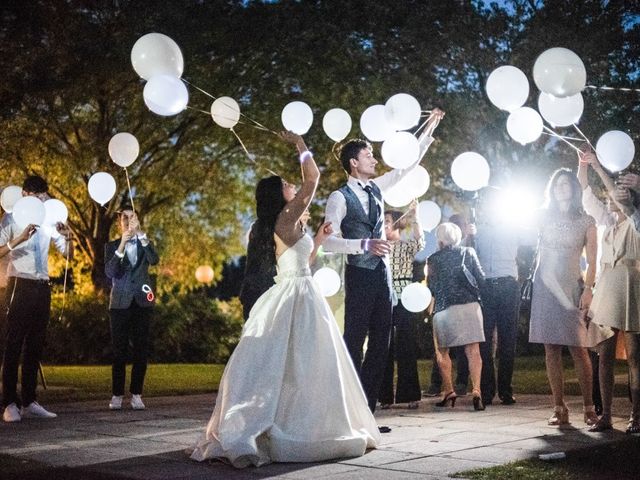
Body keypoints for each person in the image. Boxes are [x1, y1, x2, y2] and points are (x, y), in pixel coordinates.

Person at [191, 132, 379, 468]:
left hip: (296, 289)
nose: (293, 186)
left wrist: (318, 241)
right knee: (306, 364)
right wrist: (299, 144)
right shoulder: (287, 216)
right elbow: (314, 177)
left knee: (296, 365)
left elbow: (303, 263)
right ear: (279, 195)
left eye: (291, 184)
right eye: (287, 185)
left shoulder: (281, 225)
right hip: (300, 297)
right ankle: (297, 429)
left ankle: (288, 420)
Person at [324, 108, 444, 415]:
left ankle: (367, 407)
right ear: (354, 162)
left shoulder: (377, 188)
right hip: (359, 276)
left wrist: (429, 127)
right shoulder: (339, 198)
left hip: (383, 278)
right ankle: (345, 404)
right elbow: (328, 241)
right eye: (368, 155)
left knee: (381, 343)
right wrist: (363, 243)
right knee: (353, 339)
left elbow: (407, 167)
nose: (374, 159)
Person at [528, 168, 599, 426]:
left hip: (571, 287)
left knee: (579, 348)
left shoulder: (586, 221)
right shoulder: (542, 218)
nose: (561, 188)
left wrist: (589, 288)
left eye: (566, 184)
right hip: (545, 287)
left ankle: (589, 408)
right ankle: (559, 407)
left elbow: (592, 262)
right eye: (556, 184)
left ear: (574, 188)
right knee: (551, 349)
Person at [1, 175, 72, 422]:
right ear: (24, 194)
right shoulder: (10, 218)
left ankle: (29, 401)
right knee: (13, 345)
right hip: (19, 283)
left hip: (43, 286)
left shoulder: (48, 218)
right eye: (37, 197)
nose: (41, 201)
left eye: (44, 197)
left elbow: (68, 255)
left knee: (35, 345)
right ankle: (9, 402)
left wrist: (67, 236)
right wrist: (19, 239)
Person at [578, 150, 640, 434]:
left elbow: (623, 203)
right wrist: (585, 165)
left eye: (616, 195)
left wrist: (600, 167)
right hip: (606, 287)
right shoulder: (605, 223)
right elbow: (586, 191)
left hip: (630, 287)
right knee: (604, 354)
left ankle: (636, 416)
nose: (611, 198)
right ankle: (607, 415)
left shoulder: (635, 220)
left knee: (635, 358)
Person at [472, 187, 535, 406]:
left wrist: (524, 273)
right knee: (485, 339)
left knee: (508, 339)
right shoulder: (477, 229)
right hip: (486, 285)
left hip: (509, 284)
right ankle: (487, 389)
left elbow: (533, 240)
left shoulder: (513, 226)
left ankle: (506, 390)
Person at [104, 205, 159, 411]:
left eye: (131, 217)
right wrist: (121, 247)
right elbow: (110, 272)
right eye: (124, 218)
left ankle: (136, 394)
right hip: (120, 303)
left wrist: (142, 235)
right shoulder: (112, 246)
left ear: (137, 219)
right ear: (120, 222)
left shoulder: (146, 244)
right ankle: (117, 394)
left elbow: (155, 259)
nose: (127, 220)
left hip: (142, 302)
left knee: (141, 350)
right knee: (119, 351)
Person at [427, 222, 486, 410]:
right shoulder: (468, 252)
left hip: (444, 309)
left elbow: (431, 287)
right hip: (470, 306)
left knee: (442, 352)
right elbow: (481, 278)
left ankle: (449, 391)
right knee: (473, 351)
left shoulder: (432, 259)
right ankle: (476, 390)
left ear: (440, 239)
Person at [379, 201, 425, 409]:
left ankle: (410, 395)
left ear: (396, 224)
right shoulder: (378, 247)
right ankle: (384, 396)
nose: (384, 224)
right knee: (384, 346)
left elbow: (420, 242)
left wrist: (415, 216)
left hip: (405, 297)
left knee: (406, 344)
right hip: (385, 298)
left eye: (387, 221)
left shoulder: (406, 245)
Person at [426, 213, 471, 397]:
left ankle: (457, 384)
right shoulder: (435, 258)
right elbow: (432, 283)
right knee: (444, 347)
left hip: (457, 304)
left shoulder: (466, 251)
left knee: (454, 347)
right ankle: (441, 384)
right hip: (447, 305)